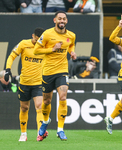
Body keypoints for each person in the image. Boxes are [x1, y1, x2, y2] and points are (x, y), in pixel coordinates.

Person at [33, 10, 77, 141]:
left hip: (62, 70)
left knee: (63, 97)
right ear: (55, 20)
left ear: (66, 21)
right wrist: (52, 49)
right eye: (59, 19)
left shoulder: (71, 35)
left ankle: (60, 129)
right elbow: (36, 50)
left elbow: (71, 45)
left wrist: (72, 52)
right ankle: (45, 122)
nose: (62, 21)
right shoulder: (47, 34)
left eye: (64, 19)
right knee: (46, 101)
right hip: (47, 72)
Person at [5, 27, 46, 142]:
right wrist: (8, 69)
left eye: (40, 41)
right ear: (33, 36)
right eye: (36, 40)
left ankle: (40, 133)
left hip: (38, 83)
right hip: (24, 82)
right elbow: (12, 56)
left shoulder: (45, 47)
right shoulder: (24, 43)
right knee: (24, 108)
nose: (37, 42)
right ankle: (23, 134)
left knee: (39, 106)